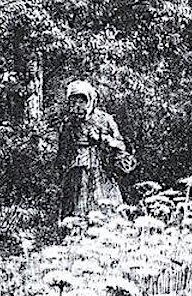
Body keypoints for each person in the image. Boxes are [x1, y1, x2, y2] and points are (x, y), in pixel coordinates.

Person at [56, 79, 136, 225]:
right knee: (77, 207)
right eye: (73, 102)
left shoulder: (105, 119)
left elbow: (120, 145)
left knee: (106, 206)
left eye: (82, 102)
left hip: (102, 170)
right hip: (77, 172)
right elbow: (62, 152)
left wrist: (101, 138)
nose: (77, 107)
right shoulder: (68, 123)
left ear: (90, 100)